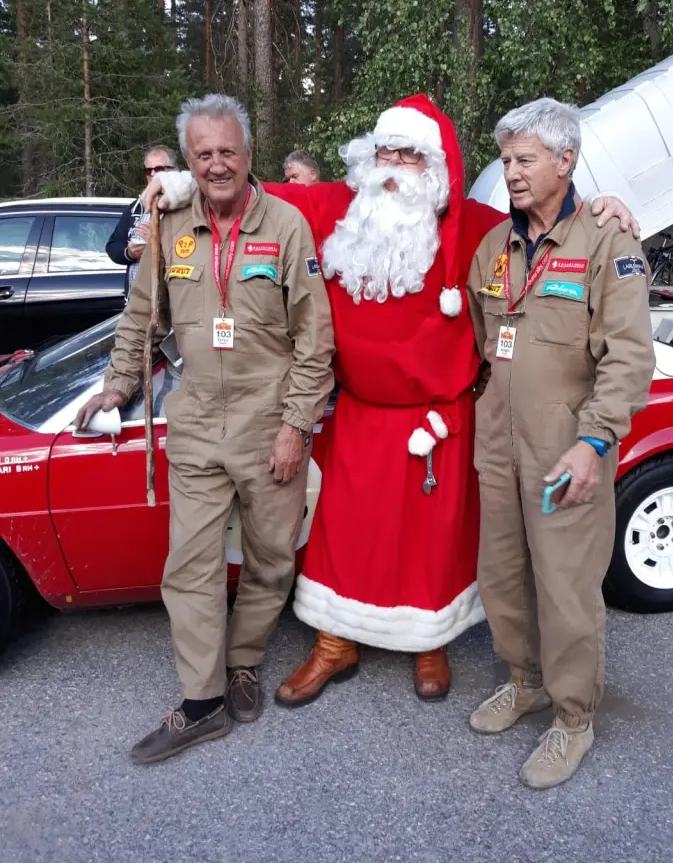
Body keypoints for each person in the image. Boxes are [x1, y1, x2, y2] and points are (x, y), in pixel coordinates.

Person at [147, 94, 639, 707]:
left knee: (430, 540)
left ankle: (428, 641)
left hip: (438, 420)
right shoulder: (337, 211)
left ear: (435, 168)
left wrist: (602, 205)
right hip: (357, 412)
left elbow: (549, 220)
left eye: (411, 155)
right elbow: (250, 189)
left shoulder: (475, 227)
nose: (394, 166)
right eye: (385, 152)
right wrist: (173, 183)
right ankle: (335, 641)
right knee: (345, 533)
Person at [76, 94, 334, 764]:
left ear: (249, 157)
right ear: (189, 160)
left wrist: (295, 425)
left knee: (270, 560)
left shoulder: (286, 226)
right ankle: (201, 703)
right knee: (188, 567)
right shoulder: (170, 226)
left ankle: (243, 661)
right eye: (203, 154)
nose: (217, 165)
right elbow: (142, 316)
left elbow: (314, 338)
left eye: (228, 152)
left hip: (268, 424)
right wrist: (119, 384)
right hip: (194, 427)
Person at [467, 98, 655, 790]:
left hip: (566, 453)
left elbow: (630, 358)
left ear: (565, 160)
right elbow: (479, 342)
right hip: (498, 447)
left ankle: (573, 718)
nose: (511, 173)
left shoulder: (607, 240)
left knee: (568, 589)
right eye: (507, 160)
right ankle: (525, 681)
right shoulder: (494, 248)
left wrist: (594, 442)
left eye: (525, 160)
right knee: (504, 577)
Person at [106, 145, 177, 300]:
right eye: (148, 170)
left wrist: (157, 243)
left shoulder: (185, 207)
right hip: (135, 303)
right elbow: (112, 245)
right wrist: (129, 253)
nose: (152, 174)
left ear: (174, 171)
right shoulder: (136, 208)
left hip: (171, 305)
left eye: (158, 169)